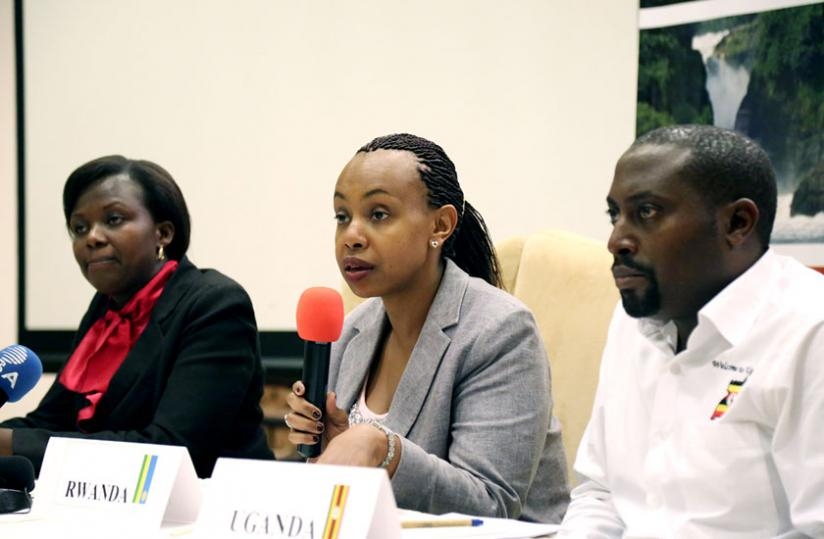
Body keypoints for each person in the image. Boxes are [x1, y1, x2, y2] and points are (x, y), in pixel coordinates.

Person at [285, 133, 569, 522]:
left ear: (441, 225)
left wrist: (383, 450)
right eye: (342, 217)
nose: (351, 236)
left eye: (378, 214)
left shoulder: (501, 332)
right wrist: (331, 451)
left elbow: (493, 505)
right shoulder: (350, 334)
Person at [559, 125, 824, 537]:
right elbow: (601, 492)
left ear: (737, 223)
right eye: (615, 215)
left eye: (646, 212)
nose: (616, 240)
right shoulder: (634, 320)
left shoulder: (810, 330)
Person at [0, 155, 274, 477]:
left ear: (163, 234)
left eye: (113, 219)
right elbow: (48, 422)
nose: (92, 237)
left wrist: (10, 443)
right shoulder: (104, 310)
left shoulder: (214, 304)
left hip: (216, 512)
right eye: (79, 227)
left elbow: (174, 449)